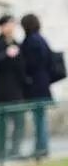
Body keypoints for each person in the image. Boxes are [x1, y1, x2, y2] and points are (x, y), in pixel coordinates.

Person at [0, 14, 26, 157]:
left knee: (19, 122)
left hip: (16, 91)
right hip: (1, 92)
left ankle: (15, 150)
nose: (11, 28)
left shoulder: (17, 44)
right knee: (2, 125)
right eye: (8, 25)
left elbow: (22, 67)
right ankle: (1, 152)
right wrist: (7, 54)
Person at [21, 13, 53, 157]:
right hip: (42, 83)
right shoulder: (41, 39)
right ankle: (41, 146)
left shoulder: (31, 41)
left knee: (39, 118)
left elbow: (31, 63)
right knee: (40, 117)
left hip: (36, 84)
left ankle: (41, 147)